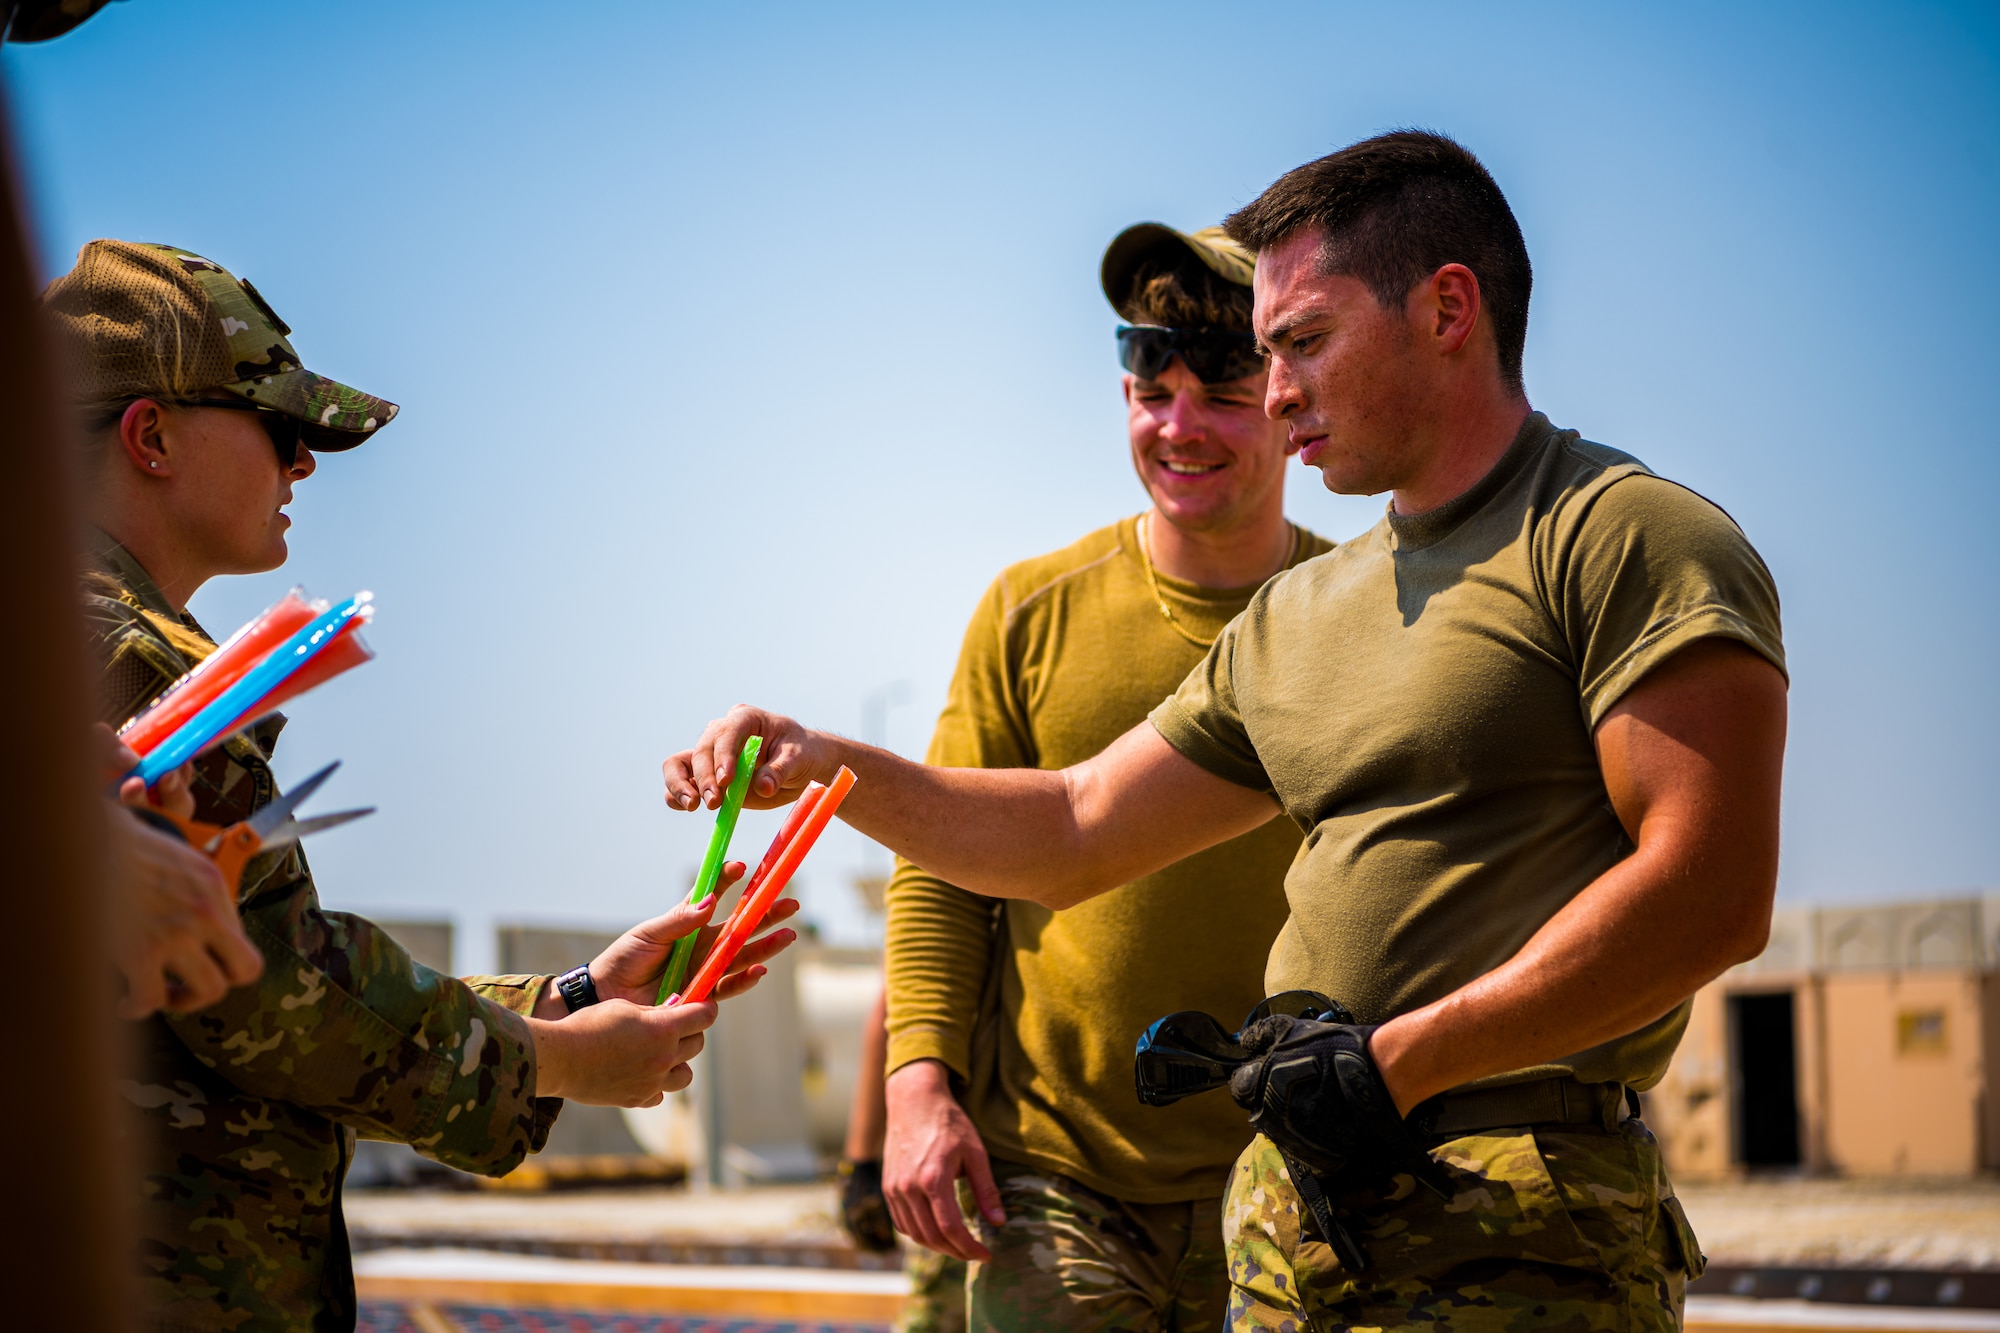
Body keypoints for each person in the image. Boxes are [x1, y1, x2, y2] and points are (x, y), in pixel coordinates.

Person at [665, 130, 1787, 1332]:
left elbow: (1708, 892)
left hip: (1517, 1234)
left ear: (1449, 308)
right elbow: (1075, 825)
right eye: (1266, 352)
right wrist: (834, 763)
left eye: (1300, 342)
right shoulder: (1296, 616)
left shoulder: (1622, 538)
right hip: (1296, 1225)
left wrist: (1397, 1060)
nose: (1277, 388)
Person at [47, 238, 798, 1332]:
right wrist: (552, 1058)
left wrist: (573, 1001)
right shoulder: (110, 654)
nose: (302, 466)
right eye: (282, 429)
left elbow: (274, 958)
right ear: (150, 434)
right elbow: (267, 992)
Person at [876, 223, 1330, 1331]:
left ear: (1285, 398)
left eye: (1219, 393)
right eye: (1148, 386)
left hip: (1299, 1174)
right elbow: (940, 872)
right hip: (1052, 1177)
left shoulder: (1360, 613)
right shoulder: (1030, 610)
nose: (1175, 427)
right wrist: (916, 1086)